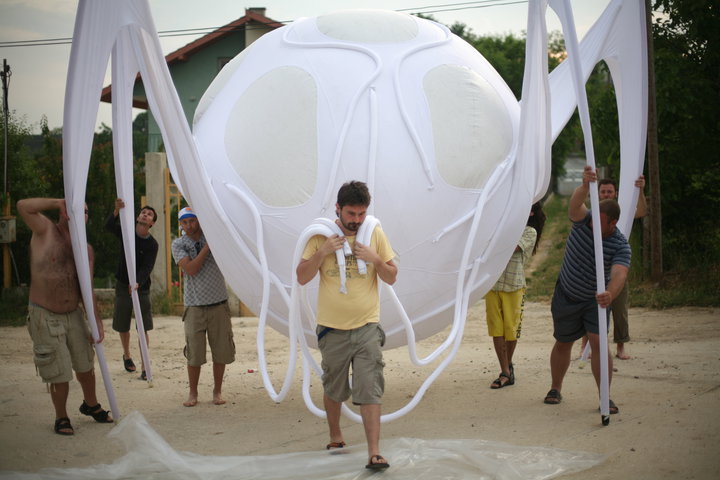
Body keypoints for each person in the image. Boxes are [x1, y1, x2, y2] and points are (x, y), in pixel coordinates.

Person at [296, 181, 397, 471]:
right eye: (351, 213)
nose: (356, 220)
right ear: (338, 209)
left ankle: (374, 452)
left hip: (367, 326)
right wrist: (323, 251)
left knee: (370, 386)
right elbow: (301, 277)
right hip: (332, 328)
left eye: (361, 214)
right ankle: (335, 436)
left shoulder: (373, 233)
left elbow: (391, 277)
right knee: (334, 386)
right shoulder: (318, 236)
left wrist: (375, 258)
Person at [17, 197, 114, 436]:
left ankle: (90, 404)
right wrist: (57, 201)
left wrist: (97, 321)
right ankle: (61, 416)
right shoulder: (45, 231)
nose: (82, 215)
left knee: (85, 364)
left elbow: (86, 288)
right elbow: (22, 206)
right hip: (45, 314)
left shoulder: (86, 249)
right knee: (58, 370)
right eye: (76, 210)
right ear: (64, 212)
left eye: (86, 212)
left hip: (74, 314)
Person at [543, 166, 631, 414]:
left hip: (596, 301)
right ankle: (555, 388)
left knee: (598, 343)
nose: (593, 226)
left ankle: (605, 397)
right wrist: (584, 186)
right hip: (567, 293)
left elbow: (619, 274)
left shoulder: (620, 245)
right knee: (563, 342)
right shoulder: (585, 220)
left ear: (613, 223)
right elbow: (574, 206)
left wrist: (610, 294)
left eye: (600, 224)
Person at [171, 206, 235, 407]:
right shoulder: (179, 244)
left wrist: (211, 241)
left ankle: (217, 391)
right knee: (194, 353)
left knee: (221, 350)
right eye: (185, 222)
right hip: (194, 305)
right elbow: (191, 269)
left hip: (218, 303)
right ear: (180, 224)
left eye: (192, 220)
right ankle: (193, 393)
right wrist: (208, 247)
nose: (189, 225)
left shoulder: (213, 235)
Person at [580, 174, 646, 360]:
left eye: (610, 191)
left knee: (619, 308)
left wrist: (640, 190)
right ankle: (586, 347)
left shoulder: (621, 210)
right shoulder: (593, 211)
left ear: (615, 193)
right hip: (593, 267)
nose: (606, 194)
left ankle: (620, 347)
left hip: (616, 265)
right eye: (603, 191)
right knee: (589, 306)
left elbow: (640, 212)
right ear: (598, 193)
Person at [485, 201, 545, 389]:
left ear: (532, 214)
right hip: (493, 285)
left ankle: (507, 368)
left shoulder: (529, 232)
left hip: (513, 286)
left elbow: (510, 248)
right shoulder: (503, 228)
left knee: (510, 330)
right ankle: (505, 370)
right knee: (496, 329)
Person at [105, 198, 158, 380]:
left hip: (141, 288)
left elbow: (148, 266)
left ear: (151, 223)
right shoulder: (126, 233)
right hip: (122, 285)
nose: (145, 214)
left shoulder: (152, 244)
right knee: (123, 324)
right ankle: (127, 356)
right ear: (137, 217)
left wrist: (138, 282)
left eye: (149, 214)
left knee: (142, 327)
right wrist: (116, 210)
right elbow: (108, 226)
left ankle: (145, 366)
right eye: (143, 212)